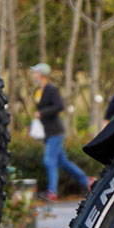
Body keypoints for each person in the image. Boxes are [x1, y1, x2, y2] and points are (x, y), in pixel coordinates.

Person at [32, 63, 90, 201]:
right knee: (62, 162)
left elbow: (59, 106)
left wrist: (42, 113)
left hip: (55, 132)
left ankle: (52, 192)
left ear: (42, 74)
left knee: (49, 161)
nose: (34, 75)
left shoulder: (51, 89)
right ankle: (87, 181)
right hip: (48, 132)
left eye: (35, 72)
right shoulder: (39, 90)